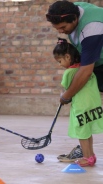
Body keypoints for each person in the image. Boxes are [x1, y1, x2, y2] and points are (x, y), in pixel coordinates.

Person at [46, 0, 103, 161]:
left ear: (75, 19)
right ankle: (86, 151)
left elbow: (85, 71)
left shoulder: (92, 27)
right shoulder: (74, 8)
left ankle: (87, 154)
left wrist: (66, 96)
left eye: (63, 28)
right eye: (57, 29)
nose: (61, 32)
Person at [53, 37, 103, 166]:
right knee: (87, 131)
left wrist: (62, 97)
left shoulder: (69, 73)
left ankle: (87, 158)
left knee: (82, 133)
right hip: (93, 104)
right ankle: (91, 155)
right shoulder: (85, 69)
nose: (59, 64)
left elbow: (67, 93)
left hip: (81, 107)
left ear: (68, 57)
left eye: (59, 61)